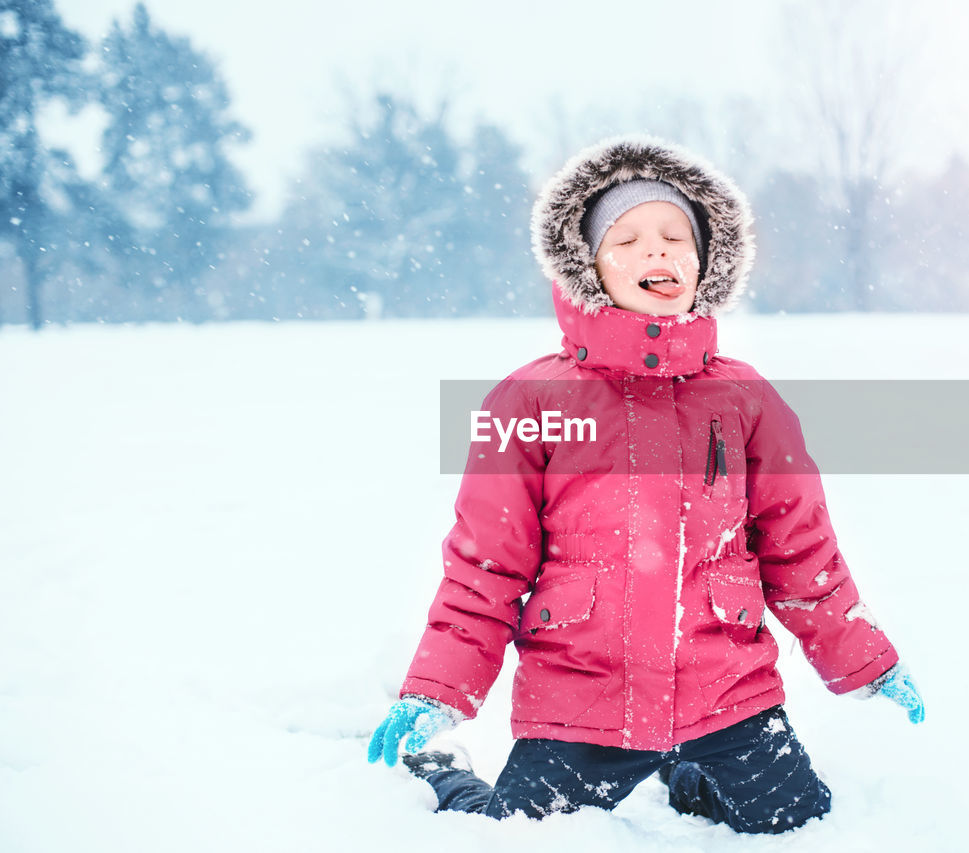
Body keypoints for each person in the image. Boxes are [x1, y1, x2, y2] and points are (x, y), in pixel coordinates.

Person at [366, 137, 925, 834]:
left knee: (800, 821)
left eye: (673, 236)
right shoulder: (528, 402)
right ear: (589, 265)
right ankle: (442, 773)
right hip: (582, 701)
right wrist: (438, 688)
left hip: (731, 697)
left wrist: (864, 657)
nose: (655, 252)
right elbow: (486, 568)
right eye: (626, 239)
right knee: (516, 834)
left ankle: (686, 775)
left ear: (705, 261)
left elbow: (801, 552)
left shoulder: (747, 400)